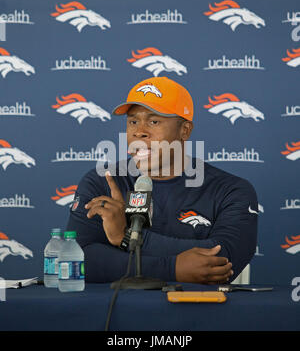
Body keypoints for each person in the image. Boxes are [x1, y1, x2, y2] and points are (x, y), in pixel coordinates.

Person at [66, 76, 258, 285]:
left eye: (154, 121)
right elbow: (79, 261)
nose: (140, 131)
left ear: (185, 131)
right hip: (117, 315)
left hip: (198, 313)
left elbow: (221, 260)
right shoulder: (103, 181)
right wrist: (172, 269)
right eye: (133, 121)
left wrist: (126, 236)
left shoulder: (231, 190)